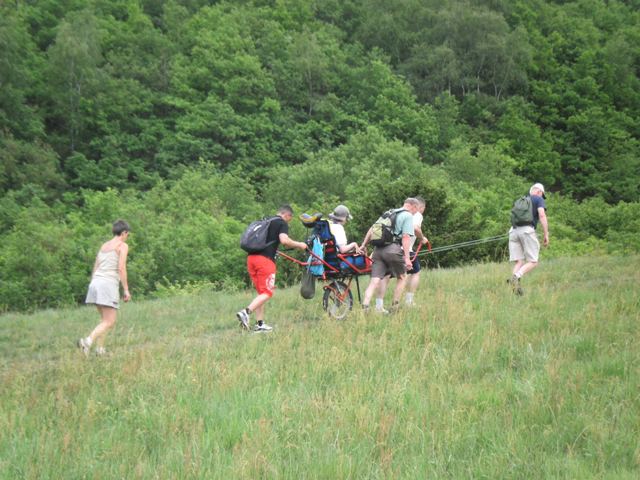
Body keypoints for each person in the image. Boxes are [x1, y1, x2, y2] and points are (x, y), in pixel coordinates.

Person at [237, 204, 307, 332]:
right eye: (289, 219)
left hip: (251, 259)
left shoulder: (267, 221)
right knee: (267, 292)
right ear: (287, 215)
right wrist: (300, 245)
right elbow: (284, 240)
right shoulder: (281, 223)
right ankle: (246, 312)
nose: (288, 222)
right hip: (264, 261)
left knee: (261, 293)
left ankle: (260, 324)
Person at [77, 220, 131, 356]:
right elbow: (121, 268)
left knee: (104, 321)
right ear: (124, 232)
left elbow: (96, 266)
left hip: (95, 284)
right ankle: (87, 342)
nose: (127, 237)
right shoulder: (122, 246)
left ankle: (100, 350)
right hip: (107, 285)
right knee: (110, 321)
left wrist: (94, 283)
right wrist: (126, 289)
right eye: (128, 234)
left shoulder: (104, 246)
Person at [360, 198, 420, 312]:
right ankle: (395, 307)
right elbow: (406, 237)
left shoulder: (389, 213)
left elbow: (372, 229)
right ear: (413, 206)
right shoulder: (407, 216)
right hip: (392, 250)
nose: (414, 213)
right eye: (415, 211)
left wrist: (363, 245)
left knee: (375, 280)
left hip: (377, 250)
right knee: (402, 277)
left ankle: (366, 306)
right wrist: (407, 258)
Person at [374, 197, 429, 311]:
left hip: (388, 247)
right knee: (415, 272)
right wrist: (422, 238)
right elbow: (415, 228)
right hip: (404, 249)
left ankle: (379, 306)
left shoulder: (396, 212)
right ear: (420, 207)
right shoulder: (417, 214)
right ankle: (406, 302)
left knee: (386, 275)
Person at [508, 183, 549, 295]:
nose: (542, 197)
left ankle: (515, 290)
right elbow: (541, 215)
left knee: (519, 262)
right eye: (542, 195)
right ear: (539, 192)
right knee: (533, 261)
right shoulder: (538, 199)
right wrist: (546, 234)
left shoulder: (521, 200)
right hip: (527, 231)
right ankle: (515, 277)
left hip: (513, 231)